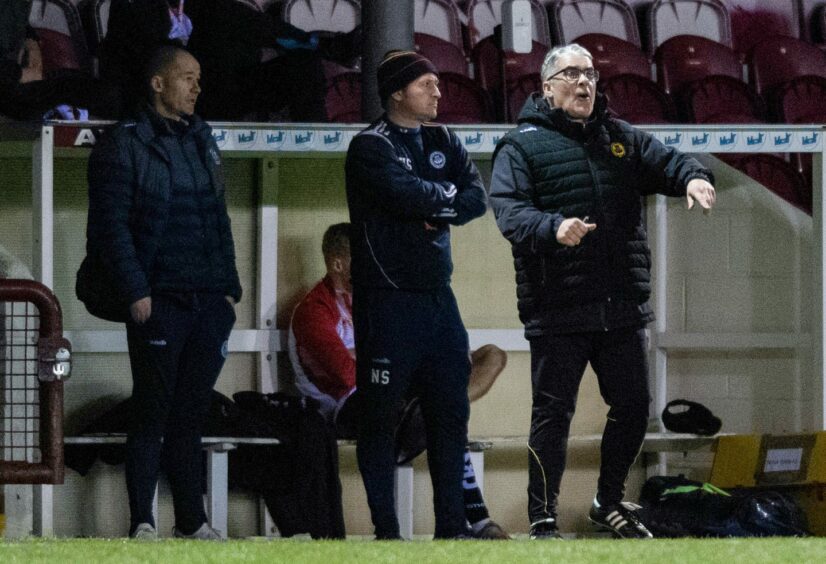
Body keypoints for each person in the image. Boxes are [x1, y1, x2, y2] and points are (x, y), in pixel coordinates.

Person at [489, 43, 717, 540]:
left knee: (634, 406)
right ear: (547, 88)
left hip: (621, 307)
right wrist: (552, 227)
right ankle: (543, 517)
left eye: (590, 73)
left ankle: (608, 501)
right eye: (571, 74)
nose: (584, 82)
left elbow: (672, 163)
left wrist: (696, 178)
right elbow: (509, 212)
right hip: (559, 308)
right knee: (553, 415)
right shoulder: (520, 145)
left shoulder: (622, 138)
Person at [82, 45, 242, 540]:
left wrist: (230, 289)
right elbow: (111, 228)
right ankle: (142, 522)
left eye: (199, 78)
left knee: (191, 413)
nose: (197, 87)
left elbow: (218, 217)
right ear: (157, 84)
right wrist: (135, 290)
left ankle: (192, 523)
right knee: (152, 409)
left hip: (208, 299)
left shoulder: (202, 137)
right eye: (187, 77)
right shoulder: (123, 143)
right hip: (158, 300)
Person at [288, 223, 509, 540]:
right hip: (349, 408)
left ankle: (442, 405)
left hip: (400, 395)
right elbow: (346, 374)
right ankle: (477, 520)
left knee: (491, 356)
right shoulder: (314, 310)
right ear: (338, 263)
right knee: (438, 412)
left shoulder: (380, 300)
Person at [345, 50, 488, 540]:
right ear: (398, 92)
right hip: (386, 301)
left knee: (451, 413)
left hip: (437, 299)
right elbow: (403, 193)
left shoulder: (444, 138)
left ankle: (452, 530)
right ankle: (387, 533)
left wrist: (436, 203)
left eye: (438, 83)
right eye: (426, 84)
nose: (438, 92)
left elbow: (476, 198)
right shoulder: (370, 146)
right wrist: (440, 198)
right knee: (380, 419)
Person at [0, 2, 121, 120]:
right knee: (73, 89)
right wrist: (19, 74)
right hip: (8, 89)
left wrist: (31, 40)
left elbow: (14, 23)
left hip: (13, 83)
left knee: (81, 84)